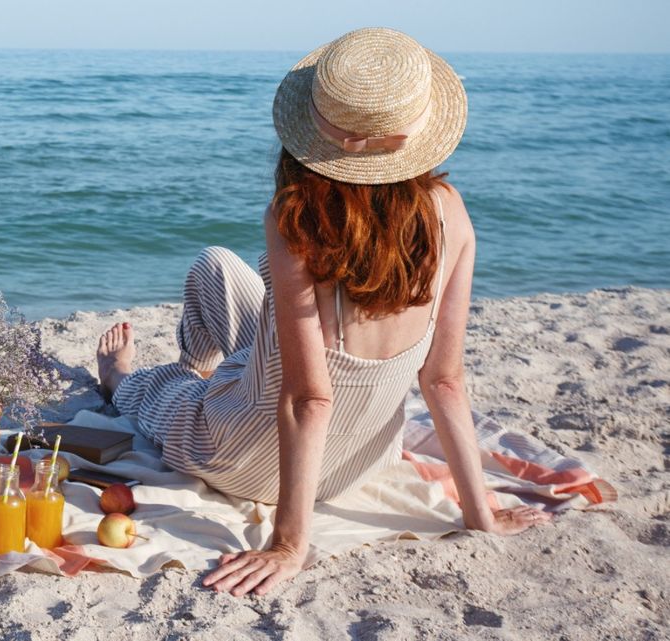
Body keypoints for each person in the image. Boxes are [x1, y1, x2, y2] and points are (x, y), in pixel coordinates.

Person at [95, 28, 551, 597]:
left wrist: (290, 543)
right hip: (360, 459)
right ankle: (218, 374)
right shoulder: (450, 215)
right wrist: (479, 512)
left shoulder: (299, 221)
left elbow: (310, 399)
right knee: (223, 271)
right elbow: (445, 382)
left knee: (168, 383)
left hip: (246, 455)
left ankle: (125, 381)